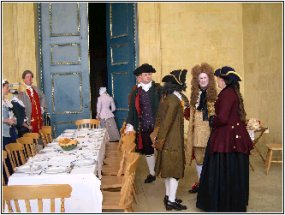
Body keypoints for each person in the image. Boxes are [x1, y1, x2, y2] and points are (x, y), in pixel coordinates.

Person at [196, 66, 253, 212]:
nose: (218, 82)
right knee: (232, 170)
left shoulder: (227, 94)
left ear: (224, 80)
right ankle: (232, 200)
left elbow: (222, 118)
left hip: (227, 137)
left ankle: (223, 202)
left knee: (222, 169)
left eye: (219, 80)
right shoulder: (233, 92)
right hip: (233, 135)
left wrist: (212, 119)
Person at [152, 69, 188, 211]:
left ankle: (168, 197)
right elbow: (166, 122)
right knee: (174, 171)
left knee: (168, 169)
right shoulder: (173, 99)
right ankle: (171, 201)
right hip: (171, 140)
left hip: (168, 139)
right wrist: (160, 139)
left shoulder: (169, 97)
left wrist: (160, 139)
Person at [125, 63, 161, 183]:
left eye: (150, 74)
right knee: (148, 150)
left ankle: (163, 170)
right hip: (144, 126)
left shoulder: (158, 89)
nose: (148, 76)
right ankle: (152, 173)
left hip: (158, 125)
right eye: (146, 75)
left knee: (161, 148)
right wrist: (130, 125)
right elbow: (132, 110)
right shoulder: (136, 91)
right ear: (140, 77)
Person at [185, 63, 217, 193]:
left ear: (209, 79)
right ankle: (202, 183)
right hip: (197, 133)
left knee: (211, 160)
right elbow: (191, 116)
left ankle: (212, 185)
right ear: (196, 81)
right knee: (198, 159)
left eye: (204, 78)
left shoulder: (216, 96)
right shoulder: (194, 96)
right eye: (200, 78)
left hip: (210, 133)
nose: (202, 80)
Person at [2, 80, 17, 184]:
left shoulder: (5, 101)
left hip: (9, 132)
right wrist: (6, 120)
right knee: (5, 159)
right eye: (6, 87)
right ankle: (6, 183)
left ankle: (12, 181)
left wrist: (12, 119)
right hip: (2, 133)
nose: (8, 89)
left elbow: (9, 114)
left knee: (9, 158)